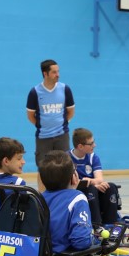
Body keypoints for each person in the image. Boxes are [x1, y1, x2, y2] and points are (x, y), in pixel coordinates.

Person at [27, 59, 75, 190]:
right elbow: (30, 116)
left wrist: (63, 124)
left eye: (58, 71)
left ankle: (66, 195)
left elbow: (71, 111)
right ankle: (42, 198)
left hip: (62, 135)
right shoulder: (35, 92)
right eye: (54, 72)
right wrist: (42, 126)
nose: (58, 74)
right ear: (45, 73)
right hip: (43, 137)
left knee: (66, 166)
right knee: (43, 168)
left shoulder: (65, 89)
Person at [69, 128, 120, 225]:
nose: (94, 145)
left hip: (93, 189)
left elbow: (100, 179)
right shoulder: (67, 158)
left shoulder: (93, 158)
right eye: (91, 143)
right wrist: (92, 184)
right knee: (91, 189)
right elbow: (71, 182)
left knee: (111, 187)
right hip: (76, 192)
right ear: (80, 146)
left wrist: (90, 181)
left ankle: (111, 224)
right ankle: (96, 224)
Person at [0, 137, 27, 225]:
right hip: (8, 233)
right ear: (6, 161)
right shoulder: (18, 183)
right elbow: (25, 214)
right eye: (19, 158)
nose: (23, 162)